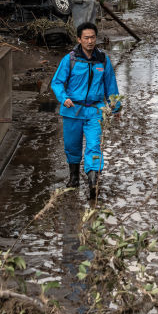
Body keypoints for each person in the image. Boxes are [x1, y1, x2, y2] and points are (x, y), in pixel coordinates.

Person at [50, 22, 120, 199]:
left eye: (93, 37)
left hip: (96, 110)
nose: (90, 41)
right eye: (86, 38)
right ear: (79, 39)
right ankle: (74, 177)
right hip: (72, 109)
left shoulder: (103, 60)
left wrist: (115, 107)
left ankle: (93, 183)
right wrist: (63, 97)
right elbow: (57, 82)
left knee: (94, 146)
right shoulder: (70, 59)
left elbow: (111, 85)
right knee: (72, 146)